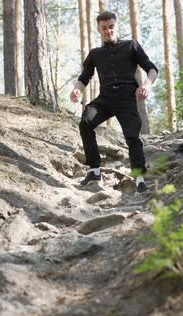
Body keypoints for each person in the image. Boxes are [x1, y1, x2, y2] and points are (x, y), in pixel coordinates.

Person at [70, 11, 158, 193]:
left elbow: (152, 69)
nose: (108, 31)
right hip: (105, 99)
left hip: (126, 98)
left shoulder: (131, 45)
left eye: (111, 27)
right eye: (104, 28)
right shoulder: (95, 54)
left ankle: (140, 178)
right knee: (86, 122)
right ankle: (94, 171)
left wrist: (147, 85)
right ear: (98, 29)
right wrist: (77, 89)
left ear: (116, 26)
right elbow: (84, 77)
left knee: (132, 136)